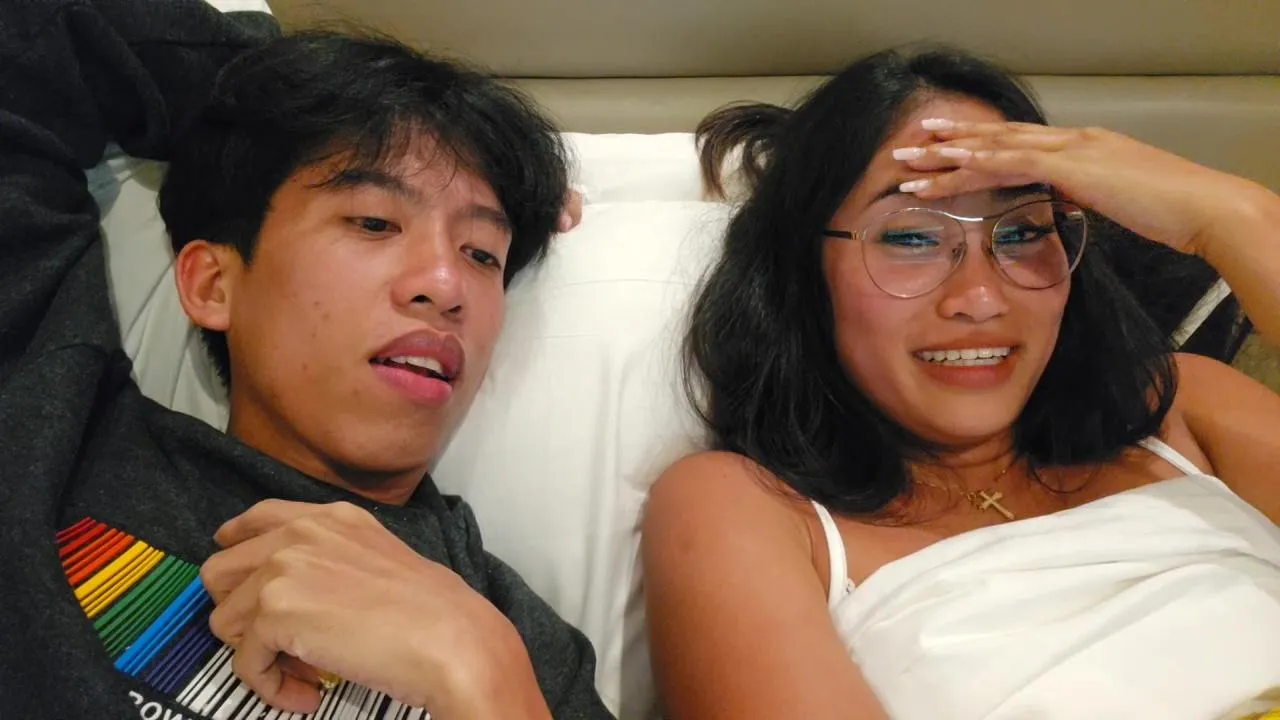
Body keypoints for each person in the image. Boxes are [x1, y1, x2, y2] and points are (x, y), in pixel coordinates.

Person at [0, 1, 610, 719]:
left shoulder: (527, 653)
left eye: (482, 255)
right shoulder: (51, 426)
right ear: (213, 284)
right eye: (374, 221)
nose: (447, 286)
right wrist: (288, 104)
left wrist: (484, 679)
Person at [641, 46, 1280, 719]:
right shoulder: (749, 507)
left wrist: (1232, 218)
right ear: (801, 274)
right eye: (911, 238)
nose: (980, 298)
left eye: (1023, 231)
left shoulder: (1183, 408)